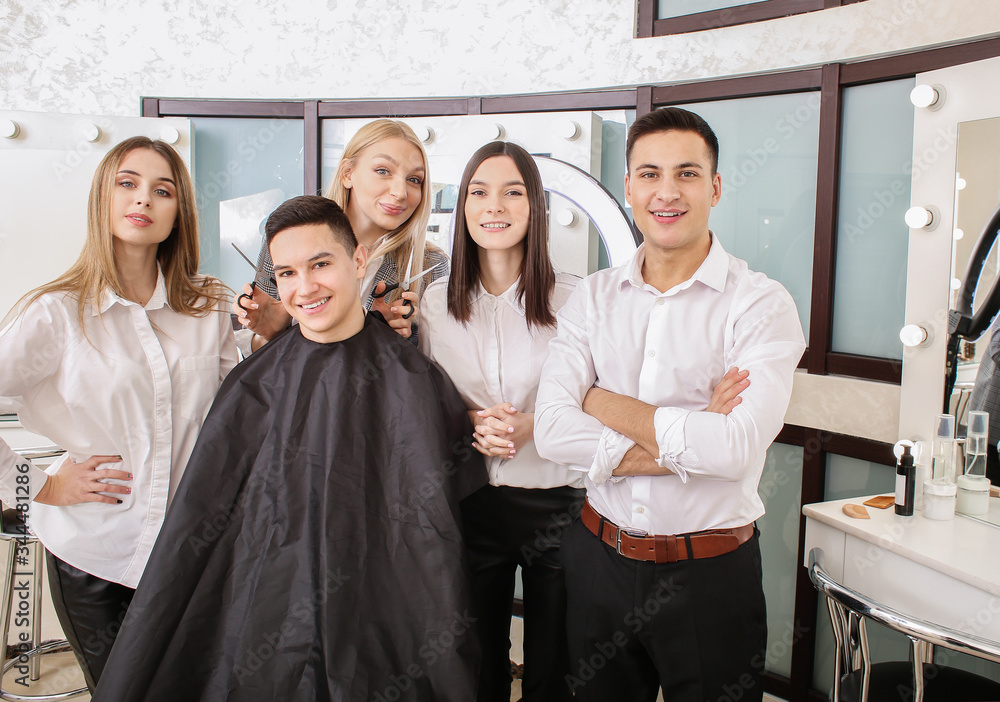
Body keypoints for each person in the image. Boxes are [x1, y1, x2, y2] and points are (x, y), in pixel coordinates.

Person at [94, 195, 487, 702]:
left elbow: (440, 532)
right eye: (287, 273)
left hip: (379, 626)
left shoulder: (415, 380)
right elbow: (199, 530)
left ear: (359, 260)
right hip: (264, 625)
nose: (305, 288)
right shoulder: (251, 386)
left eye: (320, 264)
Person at [534, 107, 806, 702]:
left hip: (710, 575)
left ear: (713, 187)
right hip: (598, 559)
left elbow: (734, 450)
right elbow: (552, 432)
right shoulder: (593, 298)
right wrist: (694, 432)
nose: (667, 191)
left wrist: (601, 400)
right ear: (629, 187)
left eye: (686, 173)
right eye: (649, 173)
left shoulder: (760, 304)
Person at [0, 137, 237, 691]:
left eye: (163, 190)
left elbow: (236, 419)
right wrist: (38, 485)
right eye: (127, 184)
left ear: (179, 212)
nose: (143, 201)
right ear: (102, 198)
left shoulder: (208, 306)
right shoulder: (57, 312)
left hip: (189, 554)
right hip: (97, 555)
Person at [419, 141, 583, 702]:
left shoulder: (577, 300)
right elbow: (420, 401)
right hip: (468, 502)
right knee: (475, 666)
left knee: (553, 670)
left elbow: (599, 399)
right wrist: (469, 420)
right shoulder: (432, 305)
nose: (496, 206)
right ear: (462, 208)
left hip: (559, 501)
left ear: (534, 205)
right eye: (479, 192)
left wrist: (533, 425)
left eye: (513, 191)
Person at [234, 118, 447, 349]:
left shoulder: (430, 265)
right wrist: (269, 335)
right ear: (347, 173)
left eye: (414, 179)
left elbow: (431, 368)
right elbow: (261, 362)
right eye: (383, 171)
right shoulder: (289, 236)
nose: (400, 192)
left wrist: (402, 341)